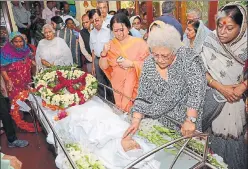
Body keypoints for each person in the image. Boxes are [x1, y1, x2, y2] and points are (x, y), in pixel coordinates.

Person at [123, 24, 207, 138]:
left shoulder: (188, 59)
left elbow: (196, 92)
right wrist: (136, 121)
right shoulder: (149, 63)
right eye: (156, 55)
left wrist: (190, 120)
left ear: (174, 51)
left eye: (165, 56)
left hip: (185, 124)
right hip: (158, 123)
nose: (160, 60)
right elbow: (143, 95)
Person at [51, 97, 160, 169]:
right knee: (96, 107)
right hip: (103, 115)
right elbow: (115, 121)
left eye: (131, 147)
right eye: (136, 145)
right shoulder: (126, 131)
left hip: (92, 119)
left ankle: (76, 107)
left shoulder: (108, 147)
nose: (135, 144)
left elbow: (94, 135)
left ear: (121, 151)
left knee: (79, 113)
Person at [201, 3, 247, 169]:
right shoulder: (210, 40)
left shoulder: (246, 43)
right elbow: (200, 69)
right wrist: (221, 87)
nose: (222, 31)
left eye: (229, 28)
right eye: (220, 25)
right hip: (212, 100)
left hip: (237, 102)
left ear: (241, 27)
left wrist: (242, 87)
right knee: (211, 147)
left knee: (234, 145)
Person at [99, 13, 149, 112]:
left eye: (122, 30)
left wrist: (132, 64)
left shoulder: (139, 43)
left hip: (136, 87)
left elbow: (149, 66)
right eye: (115, 31)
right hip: (118, 87)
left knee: (135, 113)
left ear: (128, 27)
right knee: (121, 112)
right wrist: (104, 53)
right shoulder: (110, 45)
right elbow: (104, 66)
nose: (119, 33)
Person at [89, 9, 115, 103]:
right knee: (100, 82)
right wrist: (93, 65)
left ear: (101, 17)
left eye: (97, 20)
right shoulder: (92, 33)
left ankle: (114, 103)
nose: (95, 23)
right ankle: (105, 102)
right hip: (97, 60)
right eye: (92, 22)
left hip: (109, 59)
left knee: (110, 82)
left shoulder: (109, 30)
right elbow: (92, 50)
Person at [0, 32, 34, 100]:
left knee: (29, 101)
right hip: (14, 84)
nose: (19, 44)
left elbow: (31, 61)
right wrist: (7, 80)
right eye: (16, 42)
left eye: (20, 41)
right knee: (17, 104)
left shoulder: (26, 50)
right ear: (11, 42)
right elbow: (3, 69)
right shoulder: (5, 53)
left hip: (27, 81)